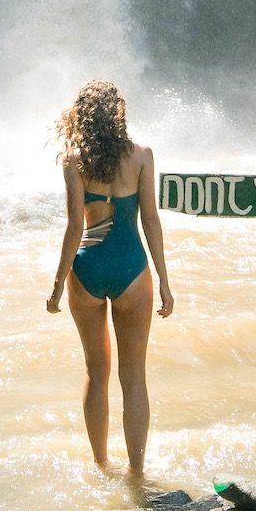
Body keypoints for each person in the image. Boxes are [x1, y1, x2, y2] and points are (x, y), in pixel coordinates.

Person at [45, 79, 173, 477]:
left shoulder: (74, 159)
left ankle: (102, 467)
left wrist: (56, 286)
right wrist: (165, 283)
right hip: (132, 269)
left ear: (82, 116)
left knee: (95, 372)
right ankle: (137, 473)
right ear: (118, 114)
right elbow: (150, 219)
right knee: (133, 376)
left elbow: (72, 228)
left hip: (87, 268)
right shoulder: (142, 156)